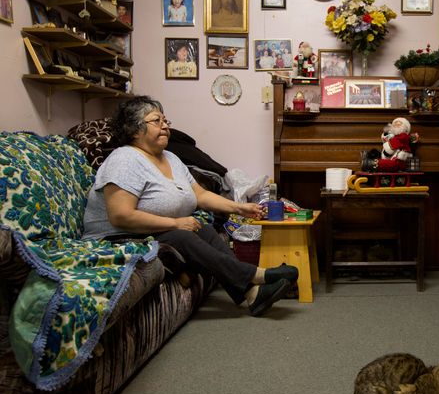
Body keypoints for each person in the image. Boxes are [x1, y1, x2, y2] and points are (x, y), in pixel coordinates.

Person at [82, 96, 297, 316]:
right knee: (181, 236)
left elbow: (201, 195)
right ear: (134, 129)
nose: (165, 126)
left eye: (166, 120)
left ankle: (253, 294)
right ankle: (256, 275)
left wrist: (240, 208)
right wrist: (175, 222)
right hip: (119, 237)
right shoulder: (124, 160)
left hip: (154, 231)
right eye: (157, 121)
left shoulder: (170, 158)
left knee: (202, 229)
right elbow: (121, 216)